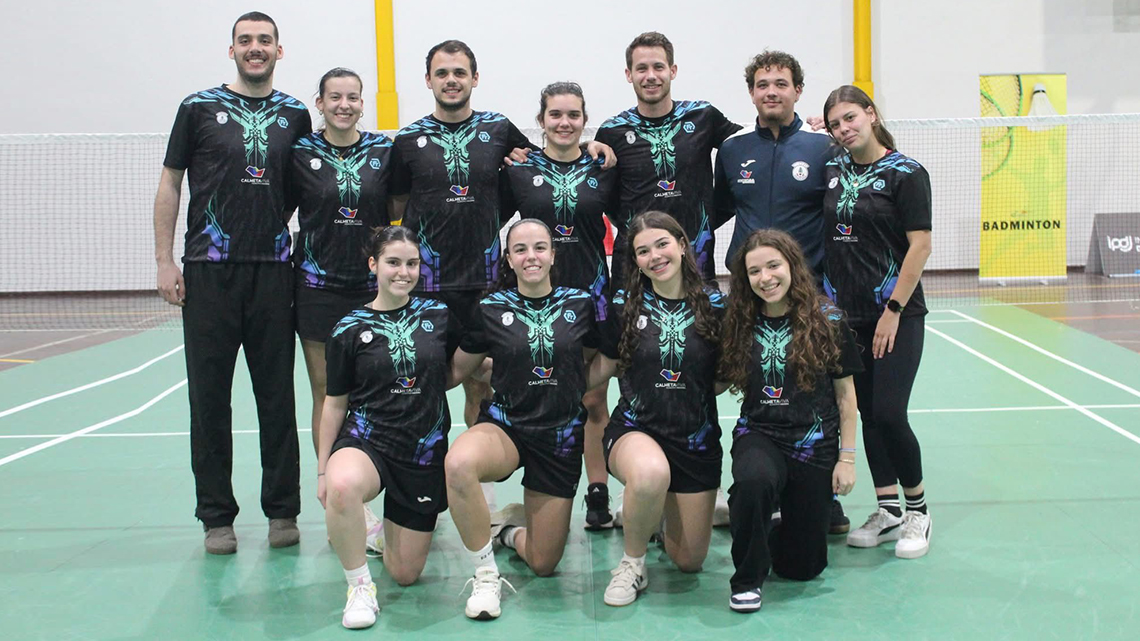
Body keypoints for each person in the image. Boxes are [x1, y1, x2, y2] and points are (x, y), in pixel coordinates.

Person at [389, 41, 611, 511]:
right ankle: (432, 489)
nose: (452, 80)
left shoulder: (498, 131)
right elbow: (396, 204)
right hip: (430, 288)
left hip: (488, 284)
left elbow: (547, 160)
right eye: (442, 72)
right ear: (428, 80)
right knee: (427, 386)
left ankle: (513, 489)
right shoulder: (408, 141)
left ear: (475, 78)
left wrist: (593, 146)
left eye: (460, 72)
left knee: (485, 383)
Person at [153, 11, 311, 554]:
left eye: (264, 40)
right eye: (246, 40)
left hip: (273, 273)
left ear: (279, 50)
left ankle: (282, 511)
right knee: (209, 401)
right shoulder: (197, 108)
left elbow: (300, 190)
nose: (255, 48)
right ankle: (216, 516)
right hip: (208, 273)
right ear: (232, 50)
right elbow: (171, 183)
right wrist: (164, 261)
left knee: (277, 399)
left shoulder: (295, 114)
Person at [713, 49, 850, 534]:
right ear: (751, 93)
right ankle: (762, 488)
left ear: (798, 90)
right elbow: (717, 211)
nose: (771, 92)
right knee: (758, 386)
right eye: (762, 84)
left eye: (781, 83)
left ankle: (822, 495)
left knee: (815, 392)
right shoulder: (732, 150)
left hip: (807, 294)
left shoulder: (823, 147)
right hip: (749, 293)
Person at [444, 219, 598, 620]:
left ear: (553, 255)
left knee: (544, 564)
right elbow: (457, 370)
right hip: (507, 426)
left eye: (540, 248)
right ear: (509, 260)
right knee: (459, 463)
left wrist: (574, 380)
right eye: (520, 250)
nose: (531, 256)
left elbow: (601, 356)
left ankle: (510, 533)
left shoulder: (581, 303)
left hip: (560, 437)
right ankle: (485, 574)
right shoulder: (490, 309)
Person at [316, 226, 460, 629]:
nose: (403, 272)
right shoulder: (348, 329)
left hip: (422, 452)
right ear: (373, 265)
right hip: (367, 440)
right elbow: (334, 403)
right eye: (393, 262)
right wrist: (323, 470)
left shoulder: (439, 315)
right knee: (343, 486)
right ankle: (360, 586)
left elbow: (462, 366)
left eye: (412, 264)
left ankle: (375, 535)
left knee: (405, 573)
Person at [717, 229, 861, 612]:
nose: (765, 278)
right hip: (760, 433)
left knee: (802, 568)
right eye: (754, 271)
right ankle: (746, 579)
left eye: (773, 266)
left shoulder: (828, 319)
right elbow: (718, 377)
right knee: (753, 482)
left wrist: (847, 458)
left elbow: (846, 396)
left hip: (814, 442)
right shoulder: (739, 320)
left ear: (792, 266)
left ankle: (774, 519)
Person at [586, 211, 725, 607]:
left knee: (689, 562)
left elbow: (724, 376)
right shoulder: (624, 305)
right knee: (649, 473)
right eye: (643, 251)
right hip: (636, 429)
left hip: (695, 438)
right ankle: (632, 564)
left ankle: (654, 514)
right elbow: (603, 367)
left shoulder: (716, 304)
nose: (655, 256)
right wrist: (537, 382)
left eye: (662, 244)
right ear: (635, 260)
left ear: (681, 244)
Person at [499, 81, 620, 530]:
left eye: (573, 115)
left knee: (592, 397)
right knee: (541, 394)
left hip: (592, 297)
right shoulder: (518, 170)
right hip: (534, 302)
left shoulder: (603, 167)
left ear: (585, 120)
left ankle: (597, 490)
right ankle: (539, 492)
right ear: (541, 120)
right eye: (555, 114)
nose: (564, 122)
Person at [822, 85, 933, 559]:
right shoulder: (833, 169)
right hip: (847, 318)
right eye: (835, 124)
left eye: (850, 118)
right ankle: (888, 508)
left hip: (896, 316)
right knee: (867, 413)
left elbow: (920, 245)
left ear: (871, 114)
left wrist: (894, 310)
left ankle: (918, 511)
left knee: (889, 412)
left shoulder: (907, 173)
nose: (844, 129)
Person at [290, 67, 394, 554]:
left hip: (373, 292)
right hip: (317, 289)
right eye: (335, 97)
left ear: (362, 103)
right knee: (327, 392)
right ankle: (340, 502)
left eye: (353, 97)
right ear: (320, 102)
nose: (344, 105)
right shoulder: (300, 152)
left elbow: (399, 207)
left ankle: (385, 493)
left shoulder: (383, 152)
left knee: (379, 392)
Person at [594, 31, 743, 287]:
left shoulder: (703, 116)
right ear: (629, 74)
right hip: (634, 271)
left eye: (658, 67)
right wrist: (585, 145)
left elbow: (751, 144)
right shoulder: (612, 131)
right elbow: (601, 195)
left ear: (672, 71)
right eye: (642, 68)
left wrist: (808, 129)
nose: (651, 76)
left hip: (695, 264)